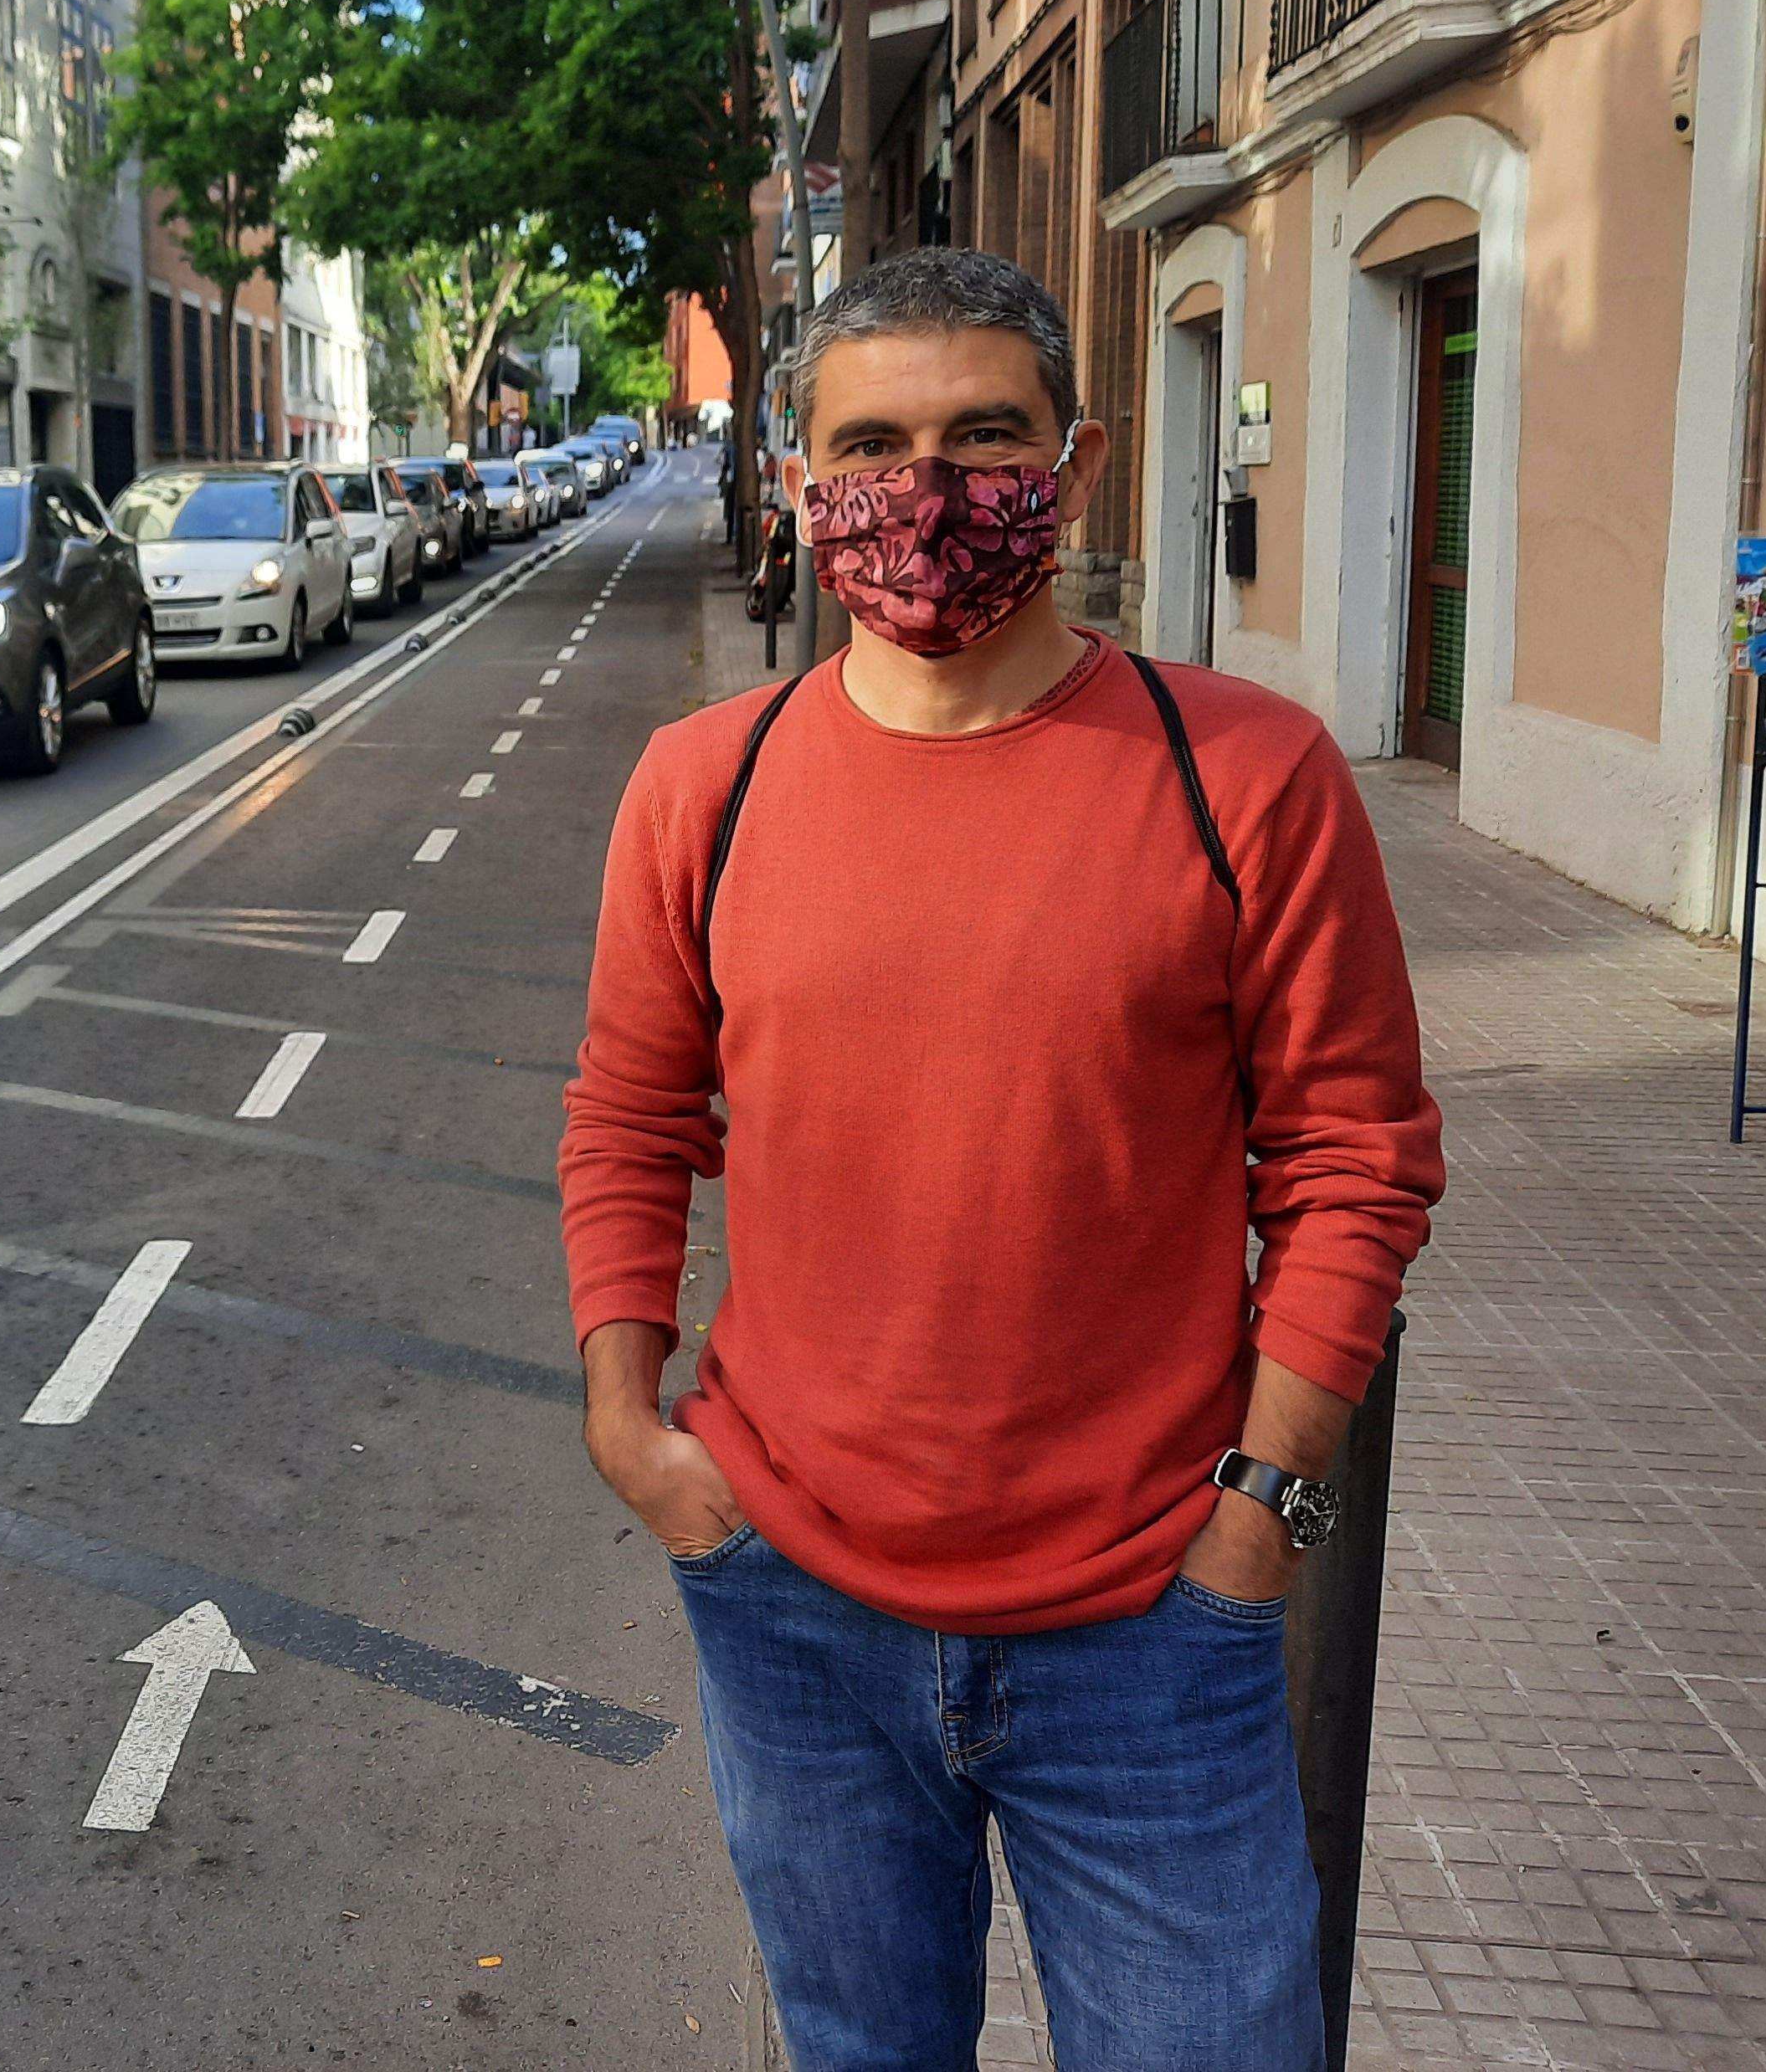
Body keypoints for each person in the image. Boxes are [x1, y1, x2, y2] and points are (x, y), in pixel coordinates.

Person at [560, 248, 1443, 2072]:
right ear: (799, 484)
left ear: (1079, 460)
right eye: (870, 445)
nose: (926, 493)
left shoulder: (1245, 779)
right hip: (788, 1607)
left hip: (1152, 1631)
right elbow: (631, 1115)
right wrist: (626, 1425)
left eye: (983, 437)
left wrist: (1256, 1519)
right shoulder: (698, 790)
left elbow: (1355, 1158)